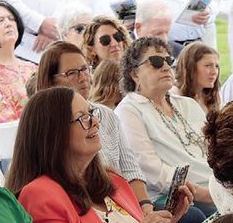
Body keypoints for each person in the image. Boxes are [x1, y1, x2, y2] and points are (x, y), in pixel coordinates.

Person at [7, 86, 188, 223]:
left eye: (92, 113)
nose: (95, 122)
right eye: (82, 118)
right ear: (54, 133)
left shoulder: (114, 182)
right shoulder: (40, 195)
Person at [33, 42, 148, 208]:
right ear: (50, 82)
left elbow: (131, 169)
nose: (83, 77)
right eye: (72, 73)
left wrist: (145, 207)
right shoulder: (46, 127)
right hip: (86, 209)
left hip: (124, 205)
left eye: (85, 69)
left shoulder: (106, 114)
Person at [115, 37, 215, 221]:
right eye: (155, 62)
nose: (165, 67)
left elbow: (215, 150)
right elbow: (151, 171)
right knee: (208, 216)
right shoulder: (129, 110)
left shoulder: (188, 105)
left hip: (214, 187)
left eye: (168, 61)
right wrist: (206, 194)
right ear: (134, 74)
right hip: (173, 195)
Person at [175, 41, 220, 114]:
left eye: (216, 66)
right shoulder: (175, 97)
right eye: (208, 65)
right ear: (190, 67)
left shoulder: (211, 96)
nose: (214, 72)